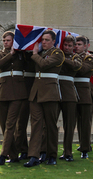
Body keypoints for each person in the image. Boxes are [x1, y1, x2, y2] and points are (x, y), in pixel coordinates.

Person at [24, 30, 65, 167]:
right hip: (36, 93)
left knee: (50, 125)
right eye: (43, 40)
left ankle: (51, 154)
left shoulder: (58, 54)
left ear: (54, 41)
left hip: (49, 92)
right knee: (36, 125)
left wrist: (35, 55)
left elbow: (44, 65)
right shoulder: (40, 54)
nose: (44, 42)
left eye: (47, 40)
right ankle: (34, 156)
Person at [0, 31, 28, 165]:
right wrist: (11, 54)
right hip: (4, 92)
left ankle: (3, 155)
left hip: (18, 93)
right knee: (4, 125)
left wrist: (18, 52)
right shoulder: (0, 54)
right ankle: (13, 155)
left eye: (8, 40)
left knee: (10, 125)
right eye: (4, 41)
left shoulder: (22, 55)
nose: (6, 43)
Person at [57, 35, 82, 162]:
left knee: (69, 125)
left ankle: (67, 152)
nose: (67, 48)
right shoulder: (57, 55)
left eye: (70, 46)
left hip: (69, 94)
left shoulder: (75, 57)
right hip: (55, 92)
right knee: (50, 124)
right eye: (65, 45)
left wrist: (62, 59)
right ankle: (48, 151)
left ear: (73, 47)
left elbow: (76, 66)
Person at [74, 35, 93, 159]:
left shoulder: (90, 58)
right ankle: (82, 144)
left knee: (85, 123)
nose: (77, 47)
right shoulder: (72, 57)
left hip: (86, 94)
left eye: (79, 44)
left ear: (86, 46)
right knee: (76, 121)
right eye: (75, 44)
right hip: (72, 92)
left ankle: (85, 148)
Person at [15, 51, 35, 161]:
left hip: (37, 86)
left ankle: (37, 151)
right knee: (21, 121)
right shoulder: (19, 54)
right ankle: (23, 149)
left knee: (37, 122)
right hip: (22, 87)